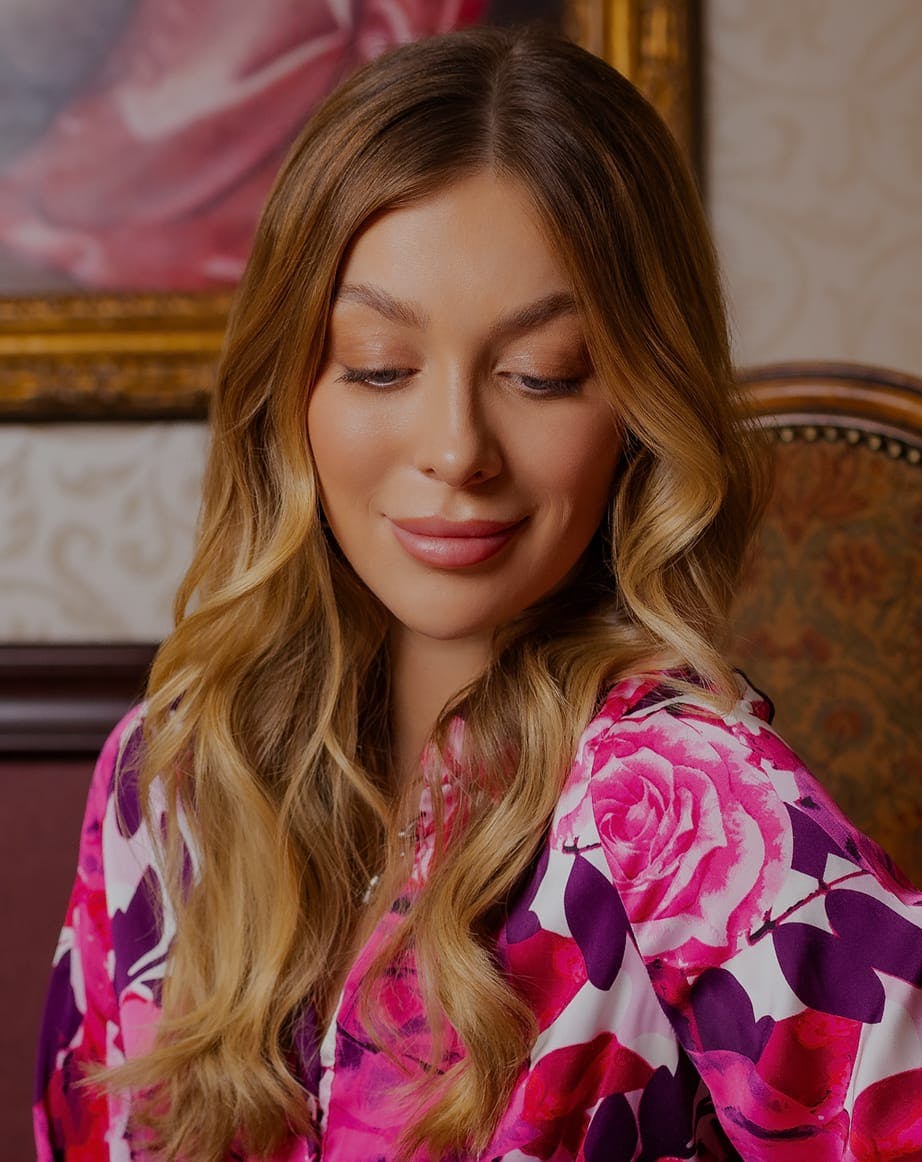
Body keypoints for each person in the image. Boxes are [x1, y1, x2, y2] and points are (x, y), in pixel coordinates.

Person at [34, 26, 922, 1162]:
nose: (456, 447)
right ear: (290, 387)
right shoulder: (166, 778)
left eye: (541, 374)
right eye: (379, 365)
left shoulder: (684, 805)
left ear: (638, 408)